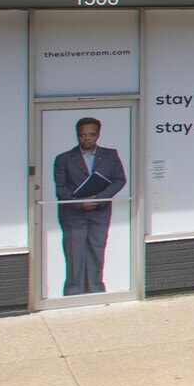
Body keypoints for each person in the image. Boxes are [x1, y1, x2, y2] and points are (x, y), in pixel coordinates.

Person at [53, 117, 125, 297]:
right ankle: (74, 292)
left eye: (91, 135)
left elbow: (119, 180)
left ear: (98, 135)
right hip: (73, 214)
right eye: (83, 135)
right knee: (74, 252)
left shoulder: (110, 155)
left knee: (97, 250)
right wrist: (80, 203)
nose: (87, 139)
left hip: (99, 212)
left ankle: (96, 290)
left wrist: (100, 198)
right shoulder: (64, 159)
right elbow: (60, 188)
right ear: (77, 135)